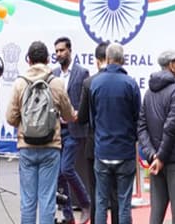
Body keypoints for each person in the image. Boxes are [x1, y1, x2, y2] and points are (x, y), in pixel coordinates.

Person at [8, 40, 77, 224]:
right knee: (47, 199)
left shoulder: (20, 83)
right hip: (50, 147)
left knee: (28, 200)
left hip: (26, 146)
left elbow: (10, 117)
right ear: (48, 59)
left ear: (28, 60)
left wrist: (24, 122)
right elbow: (69, 115)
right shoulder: (56, 83)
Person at [87, 42, 140, 224]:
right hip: (125, 151)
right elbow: (137, 118)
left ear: (107, 59)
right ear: (123, 60)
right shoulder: (130, 84)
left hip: (102, 150)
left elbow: (92, 118)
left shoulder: (95, 84)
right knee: (124, 202)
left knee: (101, 202)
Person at [138, 49, 175, 224]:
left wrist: (153, 154)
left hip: (155, 161)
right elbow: (171, 126)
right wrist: (159, 156)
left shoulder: (148, 93)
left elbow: (142, 128)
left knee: (156, 213)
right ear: (170, 65)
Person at [54, 36, 92, 224]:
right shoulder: (53, 74)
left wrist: (78, 113)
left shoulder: (82, 73)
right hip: (56, 130)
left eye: (62, 50)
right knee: (59, 174)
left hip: (75, 129)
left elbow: (85, 102)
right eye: (57, 51)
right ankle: (68, 215)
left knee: (67, 168)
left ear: (70, 51)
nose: (59, 54)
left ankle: (86, 204)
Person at [78, 43, 111, 223]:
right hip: (118, 146)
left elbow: (82, 117)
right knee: (115, 193)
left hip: (94, 144)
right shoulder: (126, 80)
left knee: (96, 191)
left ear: (97, 61)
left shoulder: (89, 83)